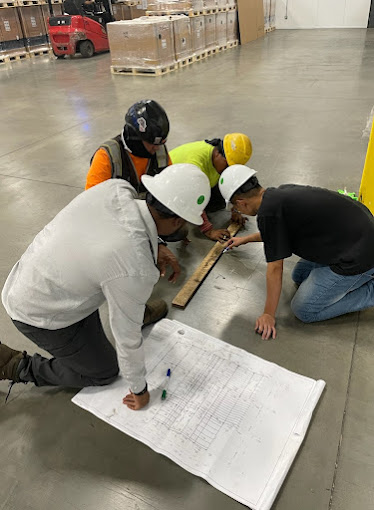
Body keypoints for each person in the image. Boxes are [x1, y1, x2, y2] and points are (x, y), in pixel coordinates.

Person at [0, 164, 211, 410]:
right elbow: (127, 337)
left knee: (123, 283)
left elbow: (121, 241)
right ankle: (15, 366)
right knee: (105, 372)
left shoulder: (116, 188)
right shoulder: (134, 266)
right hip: (42, 312)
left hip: (41, 277)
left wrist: (155, 245)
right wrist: (139, 388)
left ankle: (134, 308)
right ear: (176, 220)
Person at [219, 165, 374, 340]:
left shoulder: (268, 213)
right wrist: (244, 239)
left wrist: (268, 314)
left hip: (361, 255)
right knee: (299, 275)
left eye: (238, 208)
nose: (240, 211)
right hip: (356, 235)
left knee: (304, 310)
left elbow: (275, 269)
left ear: (241, 202)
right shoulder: (279, 194)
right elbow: (275, 231)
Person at [169, 134, 252, 242]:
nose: (229, 170)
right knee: (179, 226)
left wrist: (236, 209)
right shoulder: (194, 165)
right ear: (218, 154)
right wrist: (209, 231)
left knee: (217, 203)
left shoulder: (218, 158)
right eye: (228, 166)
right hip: (175, 186)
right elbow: (195, 197)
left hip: (200, 179)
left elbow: (234, 181)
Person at [85, 99, 171, 193]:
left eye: (160, 143)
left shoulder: (159, 151)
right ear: (136, 137)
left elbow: (172, 186)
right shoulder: (106, 157)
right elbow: (92, 199)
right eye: (151, 143)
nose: (157, 148)